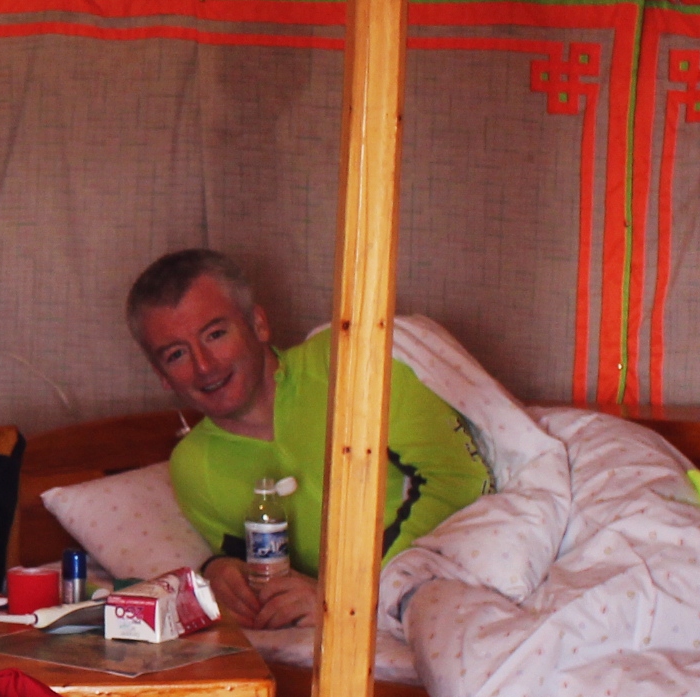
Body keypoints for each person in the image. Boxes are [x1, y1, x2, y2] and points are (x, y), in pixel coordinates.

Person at [126, 248, 489, 629]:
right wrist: (220, 569)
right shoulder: (192, 466)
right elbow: (256, 568)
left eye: (215, 335)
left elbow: (464, 480)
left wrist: (348, 596)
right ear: (161, 375)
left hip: (454, 581)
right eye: (176, 355)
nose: (204, 366)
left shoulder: (347, 364)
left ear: (258, 324)